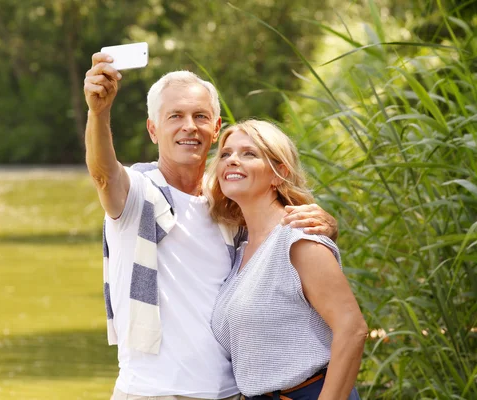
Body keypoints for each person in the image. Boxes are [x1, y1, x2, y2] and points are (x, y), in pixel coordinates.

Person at [83, 52, 339, 400]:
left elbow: (286, 245)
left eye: (200, 116)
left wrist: (325, 226)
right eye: (175, 116)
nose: (189, 125)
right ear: (153, 129)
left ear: (215, 130)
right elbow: (102, 174)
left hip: (234, 393)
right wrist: (98, 113)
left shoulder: (232, 204)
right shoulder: (137, 195)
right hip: (152, 392)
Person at [206, 120, 368, 400]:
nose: (233, 160)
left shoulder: (299, 239)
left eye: (249, 154)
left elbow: (352, 330)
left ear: (279, 174)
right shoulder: (241, 247)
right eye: (225, 154)